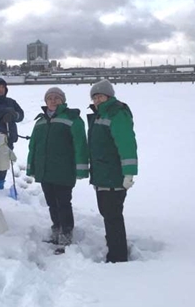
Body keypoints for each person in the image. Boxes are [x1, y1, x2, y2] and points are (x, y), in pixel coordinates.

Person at [26, 87, 89, 246]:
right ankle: (56, 230)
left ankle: (66, 233)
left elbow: (80, 145)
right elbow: (33, 146)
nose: (53, 101)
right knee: (51, 203)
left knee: (63, 203)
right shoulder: (40, 121)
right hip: (45, 170)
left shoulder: (72, 119)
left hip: (63, 170)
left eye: (56, 98)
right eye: (50, 98)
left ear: (63, 100)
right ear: (46, 101)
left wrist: (81, 168)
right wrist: (31, 167)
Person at [87, 79, 138, 263]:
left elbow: (126, 144)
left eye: (100, 96)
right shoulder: (100, 114)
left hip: (113, 175)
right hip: (102, 174)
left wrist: (129, 172)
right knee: (108, 214)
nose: (97, 100)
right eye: (95, 97)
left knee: (113, 215)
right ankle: (114, 244)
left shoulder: (116, 114)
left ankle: (118, 256)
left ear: (109, 96)